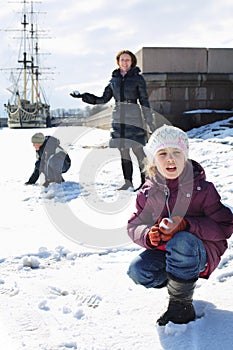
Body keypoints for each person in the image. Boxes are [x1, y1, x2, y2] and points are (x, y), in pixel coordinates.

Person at [127, 124, 233, 326]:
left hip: (202, 251)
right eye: (162, 153)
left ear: (185, 156)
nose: (170, 159)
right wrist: (150, 235)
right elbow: (135, 224)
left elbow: (225, 225)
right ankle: (180, 282)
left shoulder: (203, 189)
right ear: (153, 161)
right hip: (168, 250)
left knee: (182, 240)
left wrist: (187, 225)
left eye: (176, 152)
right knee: (138, 271)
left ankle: (180, 306)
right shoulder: (147, 193)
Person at [70, 49, 156, 191]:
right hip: (118, 119)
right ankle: (127, 182)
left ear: (132, 62)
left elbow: (144, 100)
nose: (125, 62)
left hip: (134, 117)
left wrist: (149, 121)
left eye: (127, 60)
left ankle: (146, 182)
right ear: (118, 62)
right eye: (122, 60)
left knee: (138, 151)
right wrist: (84, 96)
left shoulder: (138, 78)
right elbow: (102, 99)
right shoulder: (113, 80)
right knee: (123, 152)